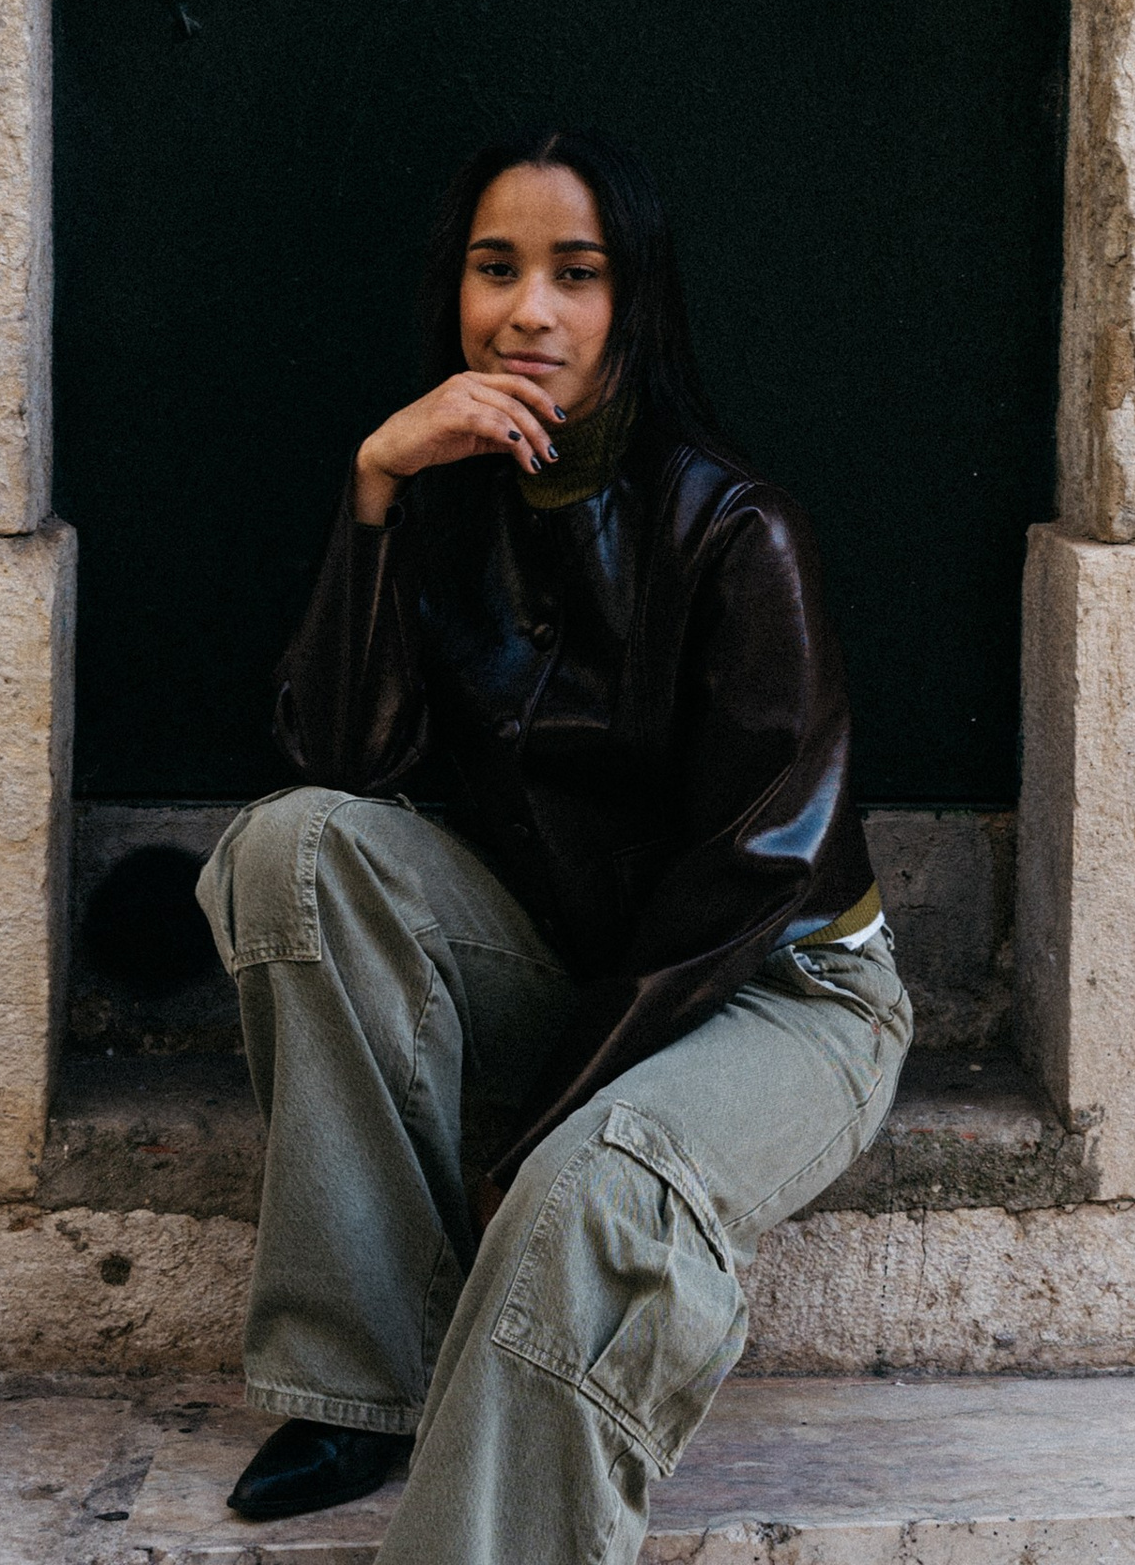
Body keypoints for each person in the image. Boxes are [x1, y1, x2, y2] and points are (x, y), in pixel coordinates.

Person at [196, 125, 911, 1556]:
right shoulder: (449, 501)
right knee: (294, 851)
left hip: (782, 993)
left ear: (633, 298)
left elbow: (752, 884)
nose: (529, 311)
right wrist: (379, 488)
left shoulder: (737, 530)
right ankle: (362, 1380)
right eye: (496, 269)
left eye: (575, 275)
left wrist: (538, 1130)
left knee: (588, 1199)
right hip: (577, 965)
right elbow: (342, 763)